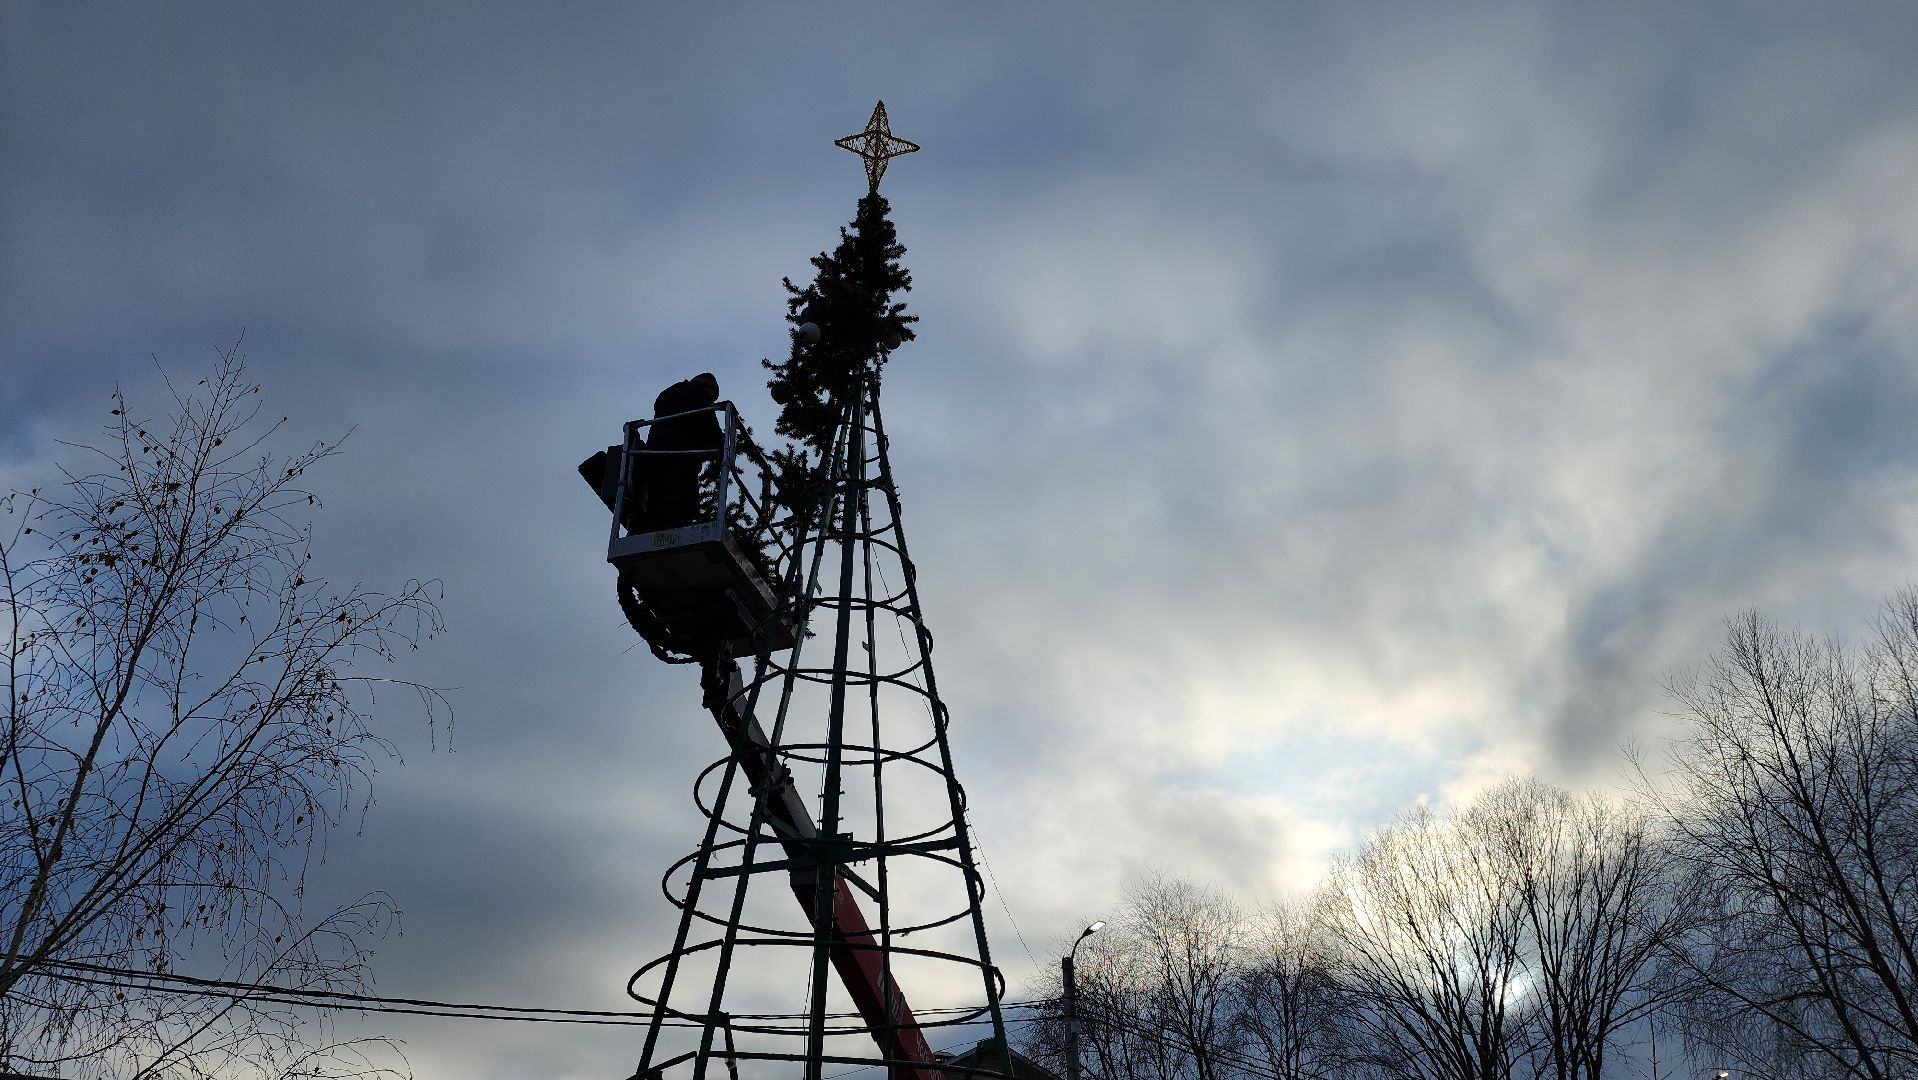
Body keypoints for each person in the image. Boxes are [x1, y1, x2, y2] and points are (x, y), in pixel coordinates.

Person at [644, 372, 723, 529]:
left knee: (657, 502)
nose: (711, 402)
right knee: (685, 505)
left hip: (654, 455)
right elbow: (708, 426)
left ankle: (644, 528)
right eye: (712, 398)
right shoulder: (696, 395)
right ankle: (673, 530)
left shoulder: (673, 394)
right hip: (679, 459)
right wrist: (723, 443)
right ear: (708, 390)